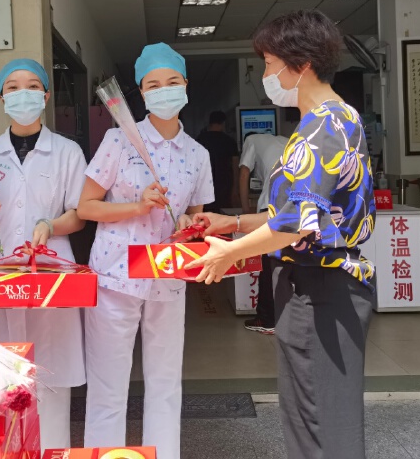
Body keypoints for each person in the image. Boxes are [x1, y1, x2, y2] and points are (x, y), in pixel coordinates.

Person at [185, 10, 376, 459]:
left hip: (321, 288)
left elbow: (295, 225)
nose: (266, 75)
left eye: (269, 63)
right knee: (311, 414)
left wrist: (229, 253)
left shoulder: (324, 126)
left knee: (322, 421)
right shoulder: (324, 122)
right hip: (314, 286)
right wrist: (232, 223)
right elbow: (291, 214)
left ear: (301, 64)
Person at [77, 43, 214, 459]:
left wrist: (190, 225)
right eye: (153, 85)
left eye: (172, 81)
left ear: (186, 84)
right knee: (108, 384)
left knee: (166, 383)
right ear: (141, 91)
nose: (164, 90)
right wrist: (137, 207)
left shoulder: (198, 154)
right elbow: (86, 207)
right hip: (115, 278)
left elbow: (196, 217)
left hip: (168, 278)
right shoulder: (118, 140)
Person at [0, 58, 87, 450]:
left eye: (32, 86)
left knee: (51, 371)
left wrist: (52, 225)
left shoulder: (66, 151)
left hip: (50, 272)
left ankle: (53, 451)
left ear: (45, 96)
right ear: (1, 98)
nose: (22, 94)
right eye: (12, 87)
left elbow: (79, 215)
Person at [238, 131, 289, 335]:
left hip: (272, 204)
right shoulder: (283, 140)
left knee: (268, 265)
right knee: (292, 262)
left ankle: (267, 319)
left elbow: (244, 174)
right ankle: (290, 318)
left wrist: (245, 210)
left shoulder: (251, 140)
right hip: (298, 205)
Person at [196, 111, 239, 212]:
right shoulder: (229, 141)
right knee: (222, 215)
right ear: (223, 123)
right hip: (225, 186)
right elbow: (235, 166)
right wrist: (235, 189)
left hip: (204, 187)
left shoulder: (199, 140)